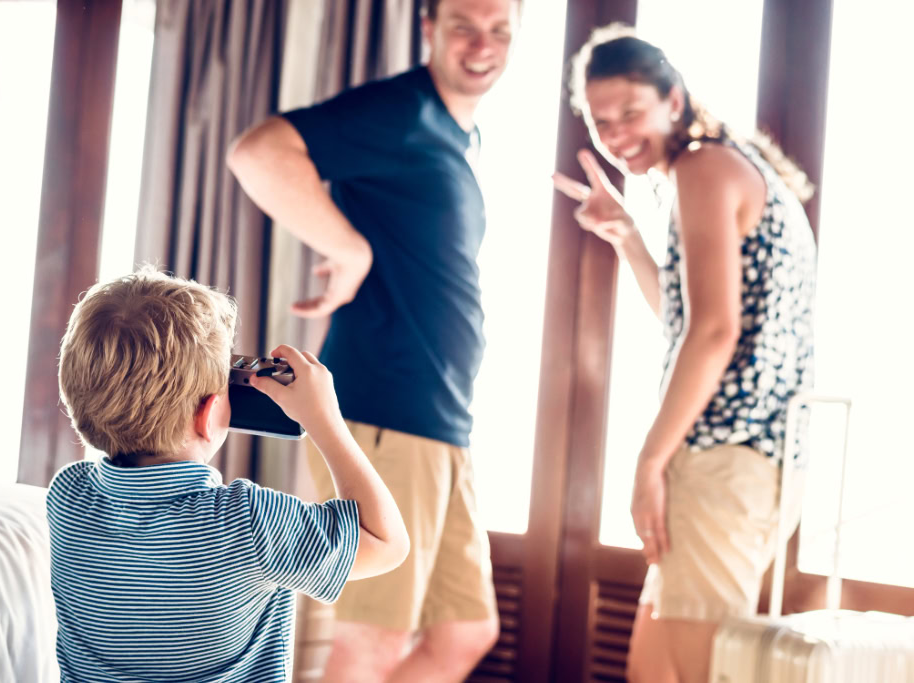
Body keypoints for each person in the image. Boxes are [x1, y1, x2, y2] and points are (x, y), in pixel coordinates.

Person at [226, 0, 520, 679]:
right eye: (464, 26)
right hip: (386, 407)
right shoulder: (403, 112)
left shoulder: (458, 136)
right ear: (429, 29)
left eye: (500, 30)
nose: (483, 44)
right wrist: (348, 248)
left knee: (465, 631)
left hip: (441, 419)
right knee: (371, 642)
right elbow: (258, 152)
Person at [554, 24, 817, 683]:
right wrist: (626, 236)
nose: (616, 135)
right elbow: (691, 321)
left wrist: (649, 460)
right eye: (601, 122)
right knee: (653, 669)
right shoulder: (724, 167)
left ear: (674, 99)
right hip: (747, 464)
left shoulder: (705, 168)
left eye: (631, 112)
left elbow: (714, 333)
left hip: (724, 460)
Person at [45, 267, 409, 683]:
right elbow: (387, 544)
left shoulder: (67, 498)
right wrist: (326, 421)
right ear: (210, 413)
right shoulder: (250, 522)